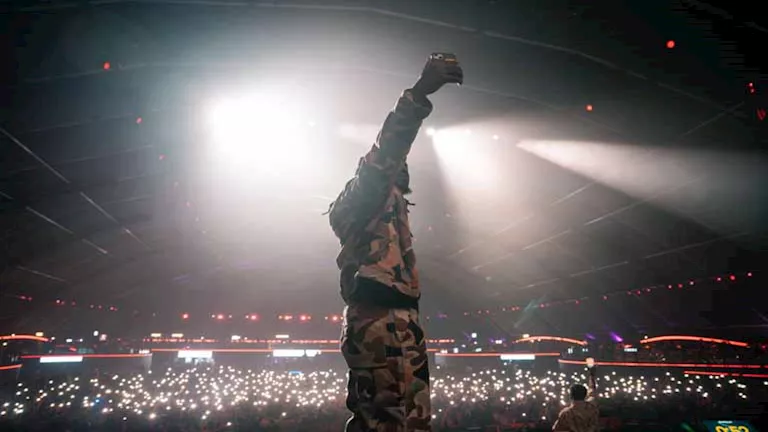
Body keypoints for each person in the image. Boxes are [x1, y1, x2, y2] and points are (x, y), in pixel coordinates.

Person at [328, 53, 463, 432]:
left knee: (407, 419)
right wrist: (419, 93)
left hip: (395, 319)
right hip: (381, 320)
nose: (403, 167)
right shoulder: (365, 194)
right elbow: (387, 151)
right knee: (391, 421)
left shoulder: (381, 204)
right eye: (397, 164)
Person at [552, 366, 599, 432]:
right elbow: (592, 390)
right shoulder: (592, 407)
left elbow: (556, 430)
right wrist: (591, 376)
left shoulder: (566, 414)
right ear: (585, 395)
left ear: (571, 396)